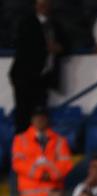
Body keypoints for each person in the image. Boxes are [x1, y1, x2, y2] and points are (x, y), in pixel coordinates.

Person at [8, 0, 65, 133]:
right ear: (36, 6)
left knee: (40, 115)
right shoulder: (27, 23)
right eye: (41, 4)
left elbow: (65, 43)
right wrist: (46, 48)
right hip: (24, 77)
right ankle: (21, 147)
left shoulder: (55, 25)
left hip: (42, 78)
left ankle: (38, 146)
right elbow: (25, 45)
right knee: (23, 114)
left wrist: (59, 48)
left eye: (46, 4)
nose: (43, 7)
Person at [11, 108, 73, 196]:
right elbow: (18, 164)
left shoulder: (60, 140)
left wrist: (50, 175)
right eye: (36, 117)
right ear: (32, 120)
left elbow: (66, 164)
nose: (39, 119)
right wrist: (40, 174)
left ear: (47, 119)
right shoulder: (20, 139)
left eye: (42, 117)